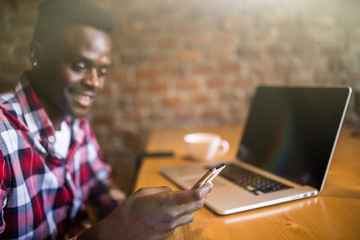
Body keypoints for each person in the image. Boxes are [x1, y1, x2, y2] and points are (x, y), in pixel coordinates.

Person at [0, 0, 212, 239]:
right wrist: (115, 230)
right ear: (36, 55)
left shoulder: (74, 119)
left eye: (102, 71)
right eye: (79, 65)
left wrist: (141, 214)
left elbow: (100, 186)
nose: (95, 82)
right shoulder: (3, 137)